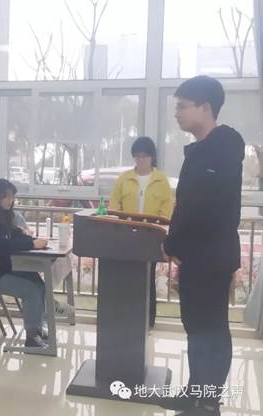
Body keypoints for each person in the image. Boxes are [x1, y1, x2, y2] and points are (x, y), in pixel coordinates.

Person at [160, 76, 244, 416]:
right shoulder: (200, 150)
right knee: (195, 326)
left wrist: (174, 239)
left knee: (211, 329)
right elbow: (187, 205)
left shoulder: (222, 149)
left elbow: (204, 207)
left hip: (213, 254)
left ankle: (208, 402)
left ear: (205, 108)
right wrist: (175, 241)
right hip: (195, 254)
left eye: (182, 107)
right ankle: (195, 391)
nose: (177, 113)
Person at [0, 179, 73, 348]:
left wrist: (32, 239)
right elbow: (4, 245)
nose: (10, 201)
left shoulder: (3, 216)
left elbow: (14, 235)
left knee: (38, 283)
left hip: (3, 268)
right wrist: (32, 244)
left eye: (12, 197)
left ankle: (38, 328)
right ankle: (32, 337)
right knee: (31, 290)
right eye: (6, 197)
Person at [109, 136, 174, 328]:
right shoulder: (124, 178)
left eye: (145, 156)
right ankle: (125, 318)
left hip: (151, 236)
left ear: (152, 157)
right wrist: (122, 223)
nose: (141, 160)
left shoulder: (161, 180)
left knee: (147, 278)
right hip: (126, 235)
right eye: (137, 156)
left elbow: (167, 208)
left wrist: (157, 226)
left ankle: (148, 321)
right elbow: (114, 205)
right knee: (126, 276)